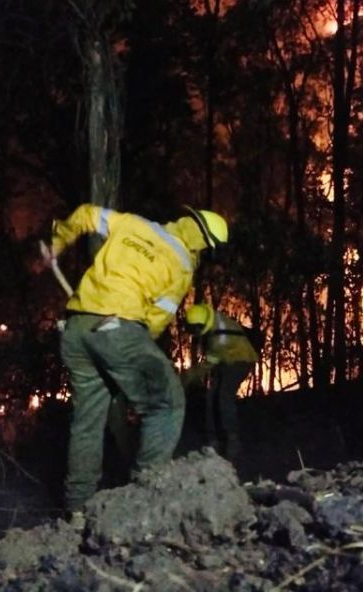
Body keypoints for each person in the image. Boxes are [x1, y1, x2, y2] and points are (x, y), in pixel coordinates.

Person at [43, 204, 228, 513]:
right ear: (203, 244)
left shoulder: (134, 223)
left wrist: (58, 242)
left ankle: (76, 509)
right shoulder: (183, 264)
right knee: (166, 403)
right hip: (118, 330)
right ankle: (144, 499)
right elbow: (156, 320)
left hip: (76, 329)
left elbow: (87, 214)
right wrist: (134, 357)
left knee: (87, 423)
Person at [182, 303, 258, 459]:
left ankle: (232, 440)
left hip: (241, 360)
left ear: (200, 325)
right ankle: (214, 440)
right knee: (211, 397)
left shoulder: (218, 340)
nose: (194, 334)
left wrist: (188, 377)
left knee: (224, 396)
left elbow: (209, 363)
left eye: (194, 330)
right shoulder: (215, 318)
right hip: (227, 359)